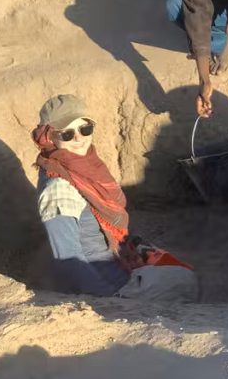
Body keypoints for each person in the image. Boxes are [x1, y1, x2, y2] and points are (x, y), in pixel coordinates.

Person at [32, 94, 197, 300]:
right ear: (48, 138)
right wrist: (110, 301)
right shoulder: (59, 189)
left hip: (115, 262)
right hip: (105, 284)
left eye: (85, 129)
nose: (78, 138)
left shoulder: (83, 167)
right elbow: (68, 259)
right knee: (185, 280)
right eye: (66, 134)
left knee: (173, 264)